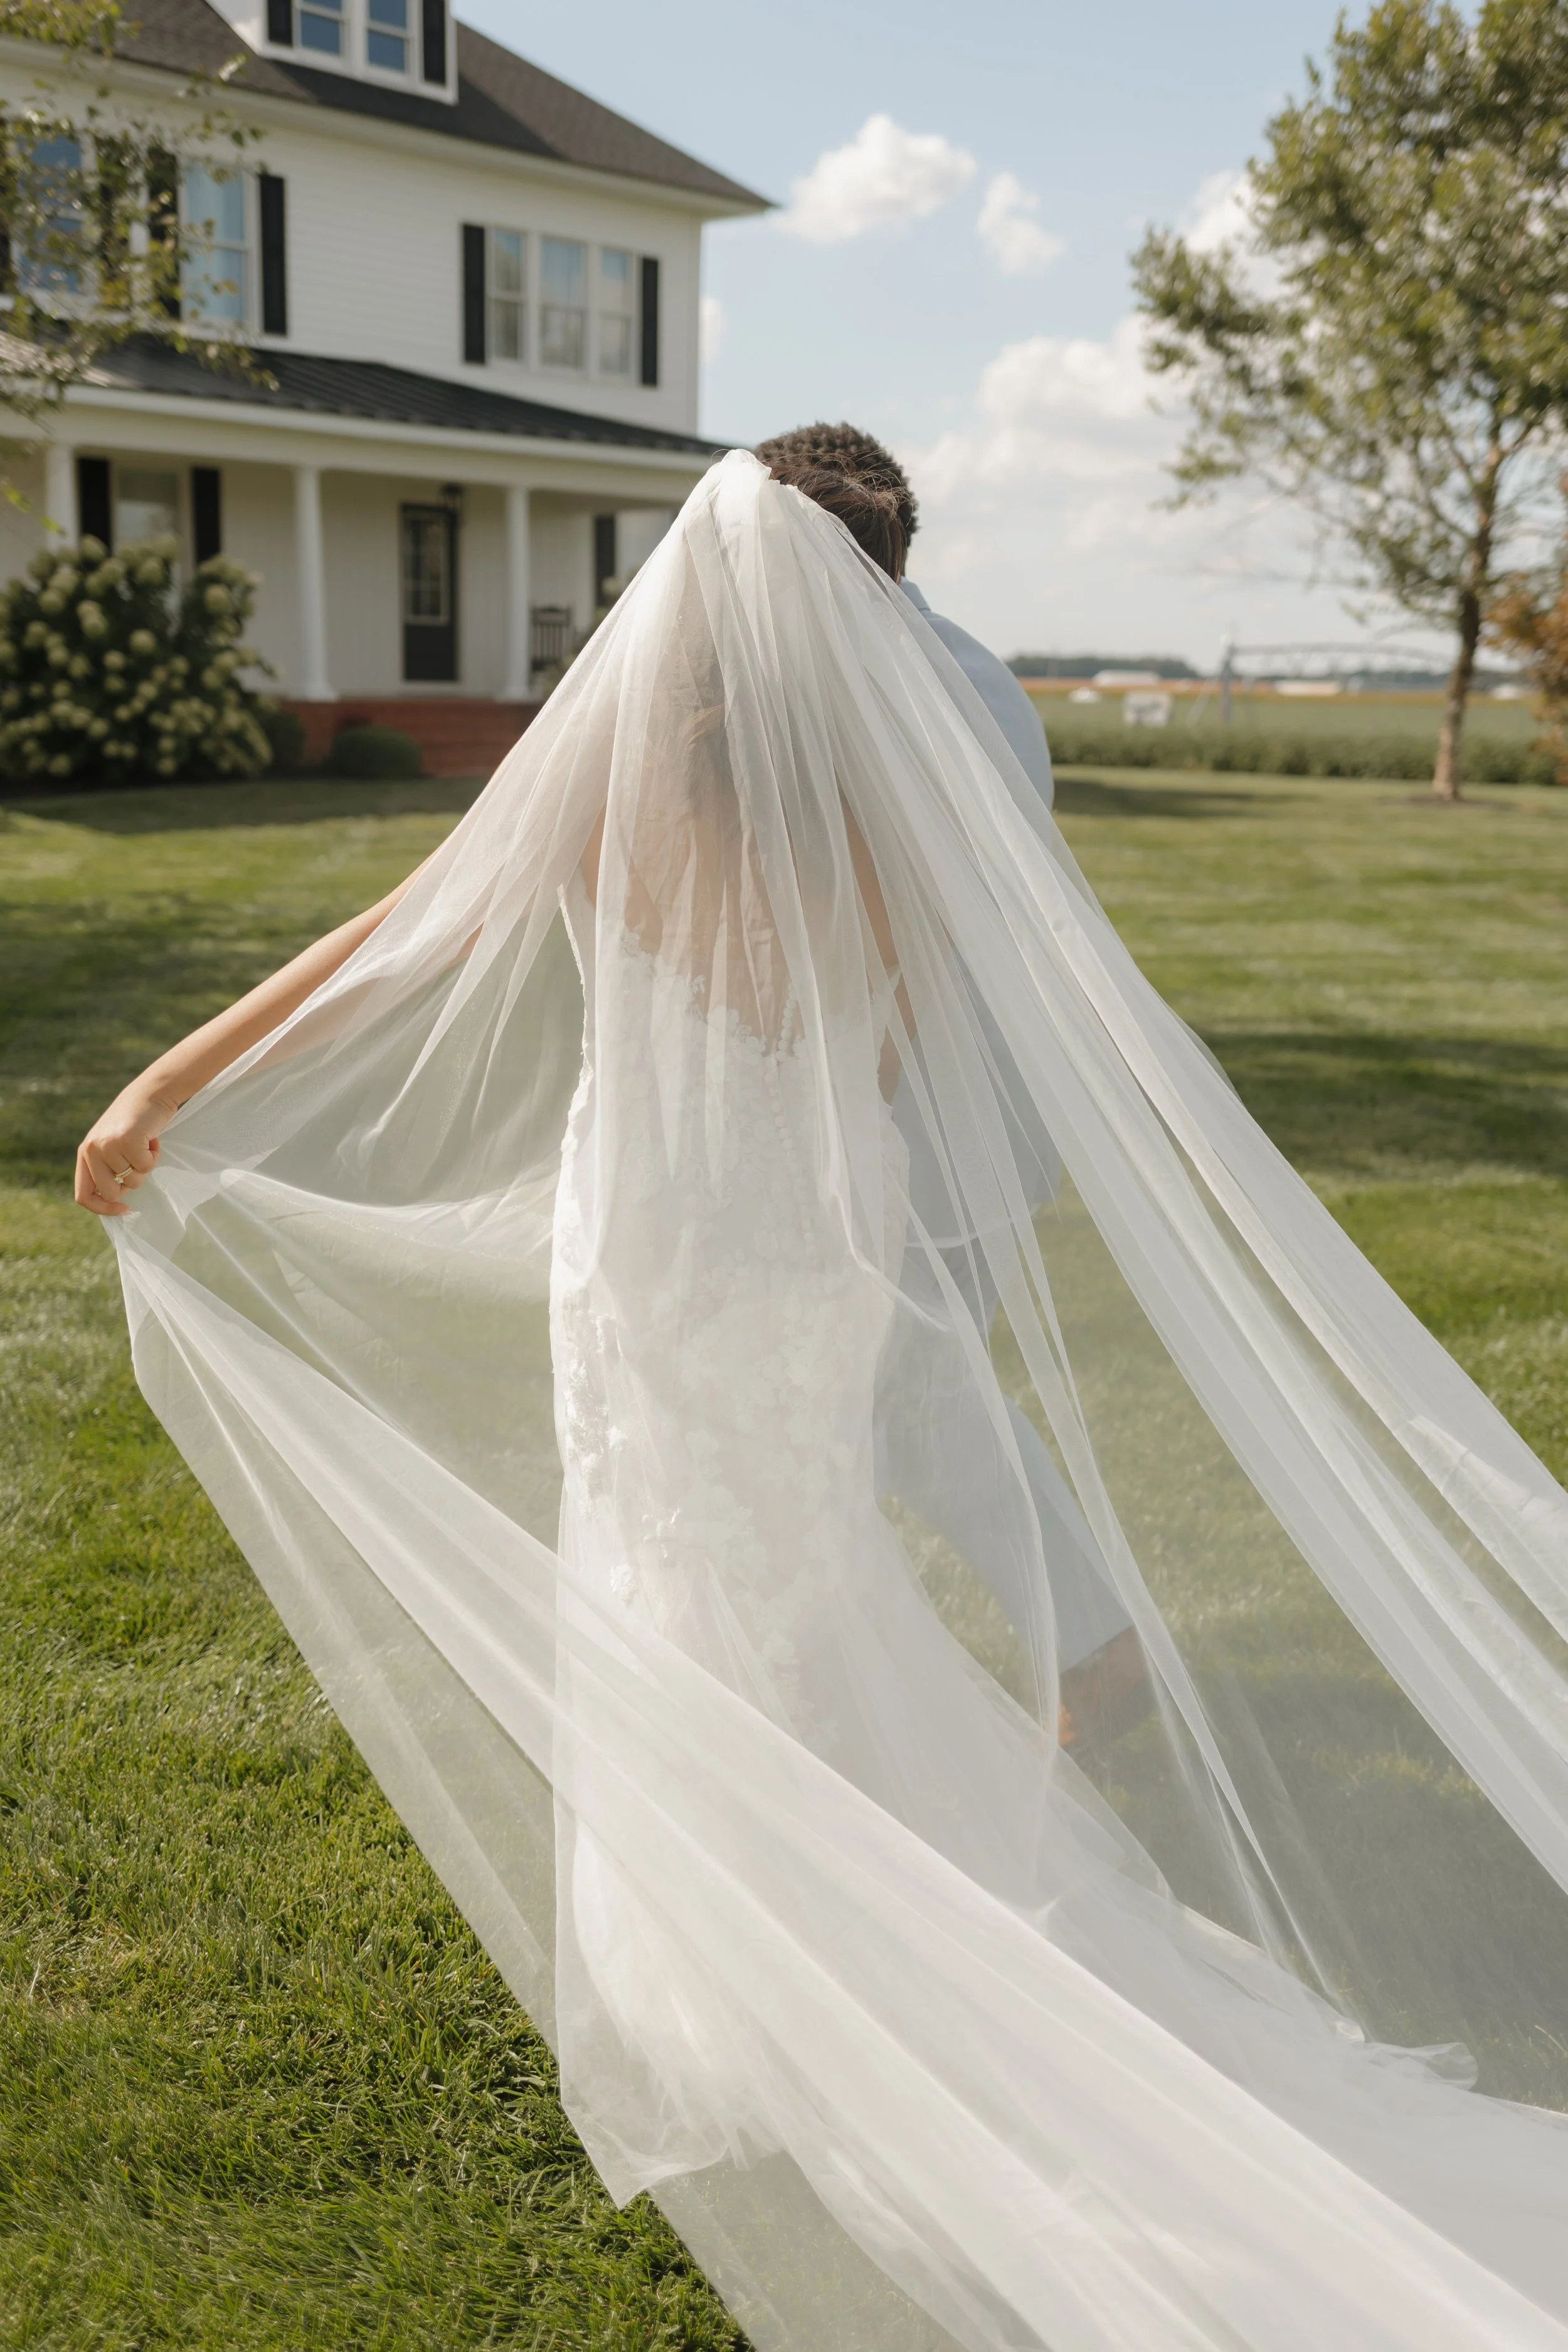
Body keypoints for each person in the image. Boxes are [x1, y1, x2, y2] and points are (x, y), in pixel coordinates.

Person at [77, 452, 1568, 2351]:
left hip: (649, 1253)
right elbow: (873, 1047)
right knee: (782, 1588)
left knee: (681, 1588)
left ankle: (757, 1989)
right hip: (801, 1261)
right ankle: (783, 1951)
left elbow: (396, 937)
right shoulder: (899, 809)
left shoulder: (617, 787)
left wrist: (160, 1087)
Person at [754, 423, 1142, 1744]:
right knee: (905, 1402)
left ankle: (1028, 1658)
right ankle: (1054, 1649)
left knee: (883, 1403)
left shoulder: (896, 686)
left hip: (921, 1103)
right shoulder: (963, 665)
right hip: (968, 1101)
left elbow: (907, 923)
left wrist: (834, 1102)